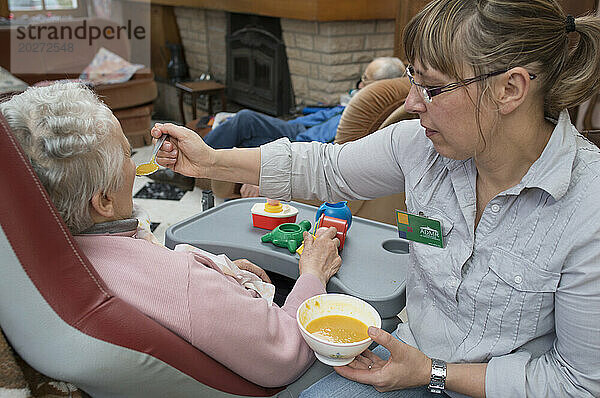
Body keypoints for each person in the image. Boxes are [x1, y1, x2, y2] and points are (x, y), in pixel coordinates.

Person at [150, 0, 600, 396]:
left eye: (432, 86)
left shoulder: (588, 206)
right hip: (411, 358)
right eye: (412, 78)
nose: (412, 102)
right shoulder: (419, 146)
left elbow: (577, 383)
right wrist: (210, 162)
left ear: (511, 89)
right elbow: (324, 167)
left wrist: (432, 372)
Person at [0, 82, 343, 388]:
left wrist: (218, 269)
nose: (135, 165)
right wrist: (313, 275)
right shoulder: (182, 285)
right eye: (126, 154)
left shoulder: (41, 256)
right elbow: (288, 354)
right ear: (103, 200)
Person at [204, 56, 405, 198]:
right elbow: (322, 116)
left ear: (382, 86)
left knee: (242, 125)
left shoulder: (363, 117)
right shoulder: (361, 104)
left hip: (298, 144)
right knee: (243, 121)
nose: (360, 86)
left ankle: (194, 163)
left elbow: (320, 150)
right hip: (297, 127)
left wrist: (265, 172)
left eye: (365, 81)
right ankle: (199, 159)